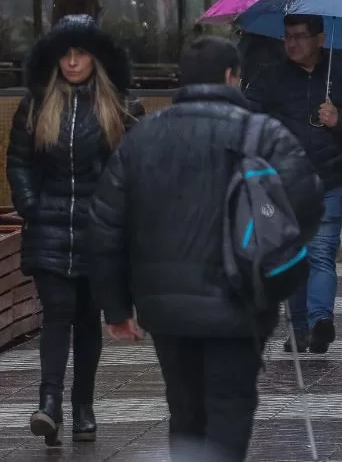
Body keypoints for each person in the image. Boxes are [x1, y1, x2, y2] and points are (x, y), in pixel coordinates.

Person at [89, 37, 324, 462]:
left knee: (184, 410)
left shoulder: (143, 139)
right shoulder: (261, 133)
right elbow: (306, 201)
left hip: (166, 307)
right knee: (230, 407)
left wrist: (116, 307)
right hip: (240, 300)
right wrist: (276, 261)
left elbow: (106, 225)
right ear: (232, 76)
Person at [6, 15, 143, 447]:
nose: (71, 61)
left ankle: (83, 404)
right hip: (48, 228)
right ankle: (49, 404)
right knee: (57, 312)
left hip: (96, 231)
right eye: (65, 53)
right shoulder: (37, 102)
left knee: (87, 317)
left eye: (79, 53)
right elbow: (19, 161)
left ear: (95, 57)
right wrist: (30, 204)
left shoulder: (118, 104)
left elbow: (133, 166)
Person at [244, 16, 342, 354]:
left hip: (327, 178)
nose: (292, 44)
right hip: (282, 182)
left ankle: (320, 321)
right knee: (293, 256)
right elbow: (250, 119)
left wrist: (340, 120)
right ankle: (300, 326)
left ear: (319, 39)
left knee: (321, 252)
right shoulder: (271, 77)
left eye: (301, 37)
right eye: (287, 37)